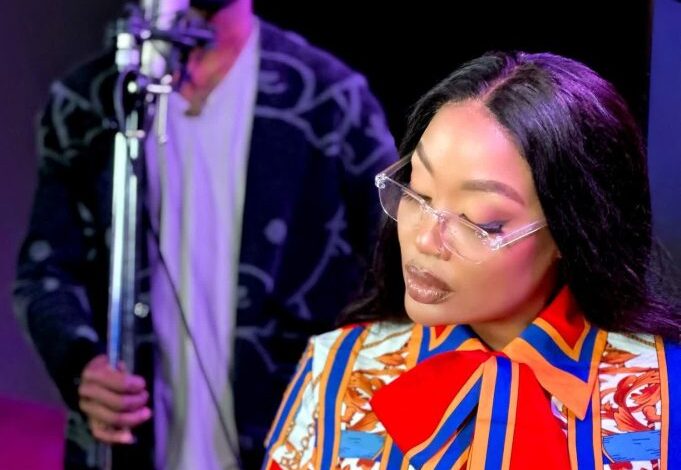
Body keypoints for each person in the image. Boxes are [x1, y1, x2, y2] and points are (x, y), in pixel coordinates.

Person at [13, 0, 397, 468]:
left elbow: (397, 272)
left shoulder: (329, 100)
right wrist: (81, 365)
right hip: (126, 450)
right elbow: (45, 271)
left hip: (292, 444)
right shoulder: (89, 101)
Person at [263, 51, 681, 469]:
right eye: (418, 194)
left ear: (571, 231)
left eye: (480, 221)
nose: (425, 239)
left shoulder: (667, 389)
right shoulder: (338, 369)